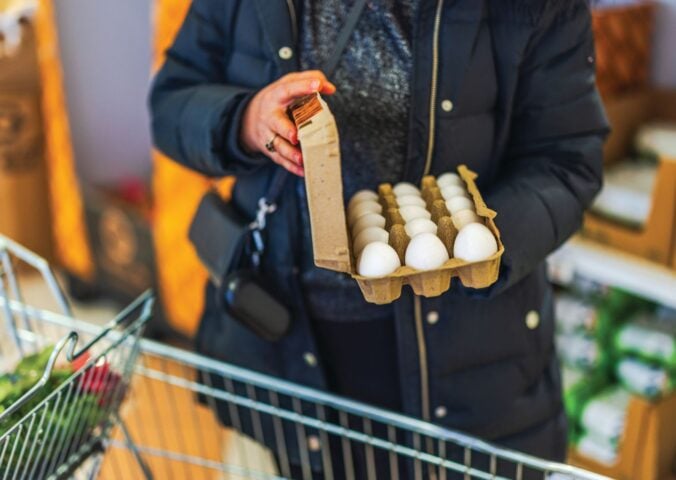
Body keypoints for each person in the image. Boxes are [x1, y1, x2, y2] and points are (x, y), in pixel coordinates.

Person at [150, 0, 608, 477]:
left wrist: (478, 239)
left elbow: (566, 159)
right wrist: (244, 121)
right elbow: (173, 101)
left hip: (464, 351)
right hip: (287, 342)